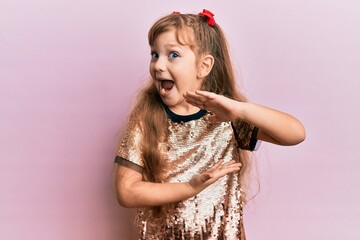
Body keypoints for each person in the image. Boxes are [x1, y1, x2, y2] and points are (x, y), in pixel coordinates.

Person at [114, 9, 306, 240]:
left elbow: (295, 134)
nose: (158, 65)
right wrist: (190, 187)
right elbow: (127, 191)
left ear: (203, 66)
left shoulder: (227, 117)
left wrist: (240, 109)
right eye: (155, 55)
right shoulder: (146, 119)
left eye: (172, 55)